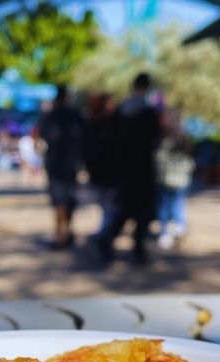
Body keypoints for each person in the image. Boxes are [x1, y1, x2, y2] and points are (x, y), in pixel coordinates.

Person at [98, 72, 162, 265]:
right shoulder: (147, 111)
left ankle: (111, 241)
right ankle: (135, 248)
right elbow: (154, 139)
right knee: (139, 211)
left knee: (126, 209)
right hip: (142, 170)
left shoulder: (122, 110)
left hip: (125, 169)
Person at [37, 85, 85, 249]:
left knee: (60, 204)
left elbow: (42, 137)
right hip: (71, 166)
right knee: (68, 202)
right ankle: (64, 233)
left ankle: (61, 235)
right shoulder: (75, 116)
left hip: (56, 167)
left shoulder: (50, 116)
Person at [155, 114, 195, 250]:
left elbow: (159, 160)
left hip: (165, 179)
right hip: (181, 180)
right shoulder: (185, 141)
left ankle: (165, 233)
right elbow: (190, 163)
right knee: (177, 204)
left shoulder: (165, 142)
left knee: (165, 207)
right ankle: (179, 226)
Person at [83, 93, 118, 237]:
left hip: (103, 173)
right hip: (104, 173)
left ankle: (105, 233)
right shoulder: (104, 126)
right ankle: (105, 234)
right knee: (108, 205)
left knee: (108, 206)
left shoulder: (95, 125)